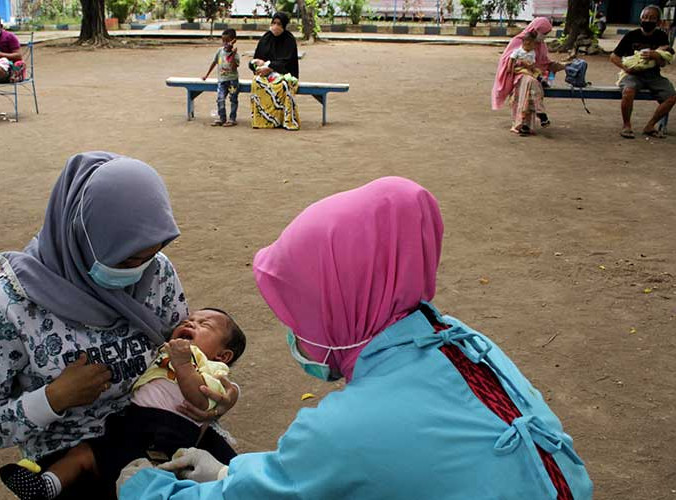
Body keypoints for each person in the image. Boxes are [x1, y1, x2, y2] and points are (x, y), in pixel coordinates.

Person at [116, 177, 594, 500]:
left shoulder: (344, 426)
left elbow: (309, 470)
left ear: (341, 303)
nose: (295, 329)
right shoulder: (465, 344)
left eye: (302, 309)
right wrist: (227, 471)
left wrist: (146, 489)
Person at [0, 152, 239, 500]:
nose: (140, 270)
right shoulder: (7, 305)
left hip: (168, 432)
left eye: (150, 254)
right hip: (73, 453)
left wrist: (215, 398)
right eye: (127, 259)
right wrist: (52, 399)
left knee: (244, 487)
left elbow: (186, 355)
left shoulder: (157, 272)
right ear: (82, 236)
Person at [0, 308, 246, 500]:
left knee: (152, 477)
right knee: (85, 454)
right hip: (130, 421)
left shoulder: (212, 369)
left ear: (223, 355)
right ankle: (46, 485)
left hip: (169, 431)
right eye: (189, 320)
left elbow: (201, 402)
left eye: (204, 325)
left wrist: (184, 365)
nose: (190, 323)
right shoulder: (165, 350)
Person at [492, 17, 567, 136]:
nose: (544, 36)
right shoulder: (519, 41)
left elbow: (544, 63)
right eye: (543, 33)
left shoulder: (541, 45)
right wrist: (521, 63)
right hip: (517, 74)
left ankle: (527, 124)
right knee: (530, 82)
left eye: (546, 34)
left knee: (532, 84)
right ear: (535, 30)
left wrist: (563, 66)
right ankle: (536, 115)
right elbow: (507, 60)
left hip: (532, 73)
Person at [610, 5, 676, 139]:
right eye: (645, 17)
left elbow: (663, 63)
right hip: (632, 74)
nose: (647, 20)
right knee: (628, 91)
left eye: (652, 18)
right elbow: (613, 57)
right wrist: (625, 68)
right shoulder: (631, 35)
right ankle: (626, 125)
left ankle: (650, 126)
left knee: (672, 96)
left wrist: (656, 56)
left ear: (658, 22)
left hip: (653, 76)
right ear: (640, 19)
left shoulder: (661, 36)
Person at [249, 12, 300, 130]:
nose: (275, 26)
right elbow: (255, 59)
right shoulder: (266, 38)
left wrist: (271, 67)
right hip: (265, 74)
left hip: (285, 74)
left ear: (284, 26)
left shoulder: (289, 40)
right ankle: (263, 119)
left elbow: (287, 62)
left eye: (279, 24)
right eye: (274, 23)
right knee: (257, 83)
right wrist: (257, 64)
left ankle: (280, 119)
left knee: (282, 86)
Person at [508, 31, 551, 128]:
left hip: (530, 73)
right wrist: (515, 67)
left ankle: (533, 119)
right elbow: (510, 62)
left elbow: (539, 63)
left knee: (532, 89)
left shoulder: (536, 50)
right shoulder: (517, 50)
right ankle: (532, 118)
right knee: (528, 87)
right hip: (520, 74)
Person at [202, 28, 240, 127]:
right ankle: (222, 118)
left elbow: (233, 67)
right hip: (222, 80)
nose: (225, 43)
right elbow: (214, 62)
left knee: (233, 99)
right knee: (220, 99)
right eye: (223, 41)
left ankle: (232, 119)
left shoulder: (236, 54)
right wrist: (207, 75)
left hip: (232, 80)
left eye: (227, 41)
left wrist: (232, 54)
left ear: (233, 40)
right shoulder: (219, 51)